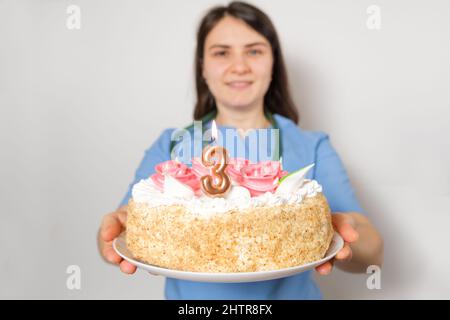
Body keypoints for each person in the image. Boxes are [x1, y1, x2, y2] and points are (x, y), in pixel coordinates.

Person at [98, 1, 383, 299]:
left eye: (254, 50)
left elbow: (374, 252)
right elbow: (119, 225)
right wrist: (113, 228)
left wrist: (342, 228)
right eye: (222, 52)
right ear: (202, 67)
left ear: (273, 63)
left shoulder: (311, 146)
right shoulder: (173, 144)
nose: (239, 66)